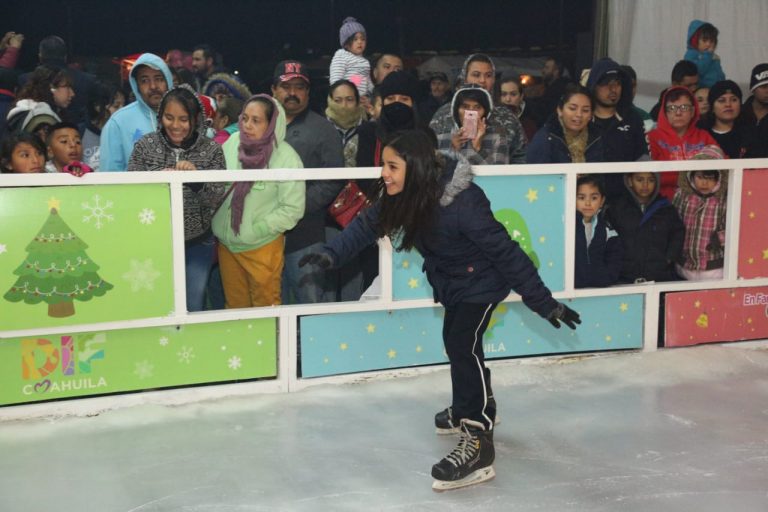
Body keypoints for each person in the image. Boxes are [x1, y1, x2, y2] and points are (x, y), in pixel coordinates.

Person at [298, 130, 580, 491]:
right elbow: (369, 224)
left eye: (392, 166)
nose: (384, 173)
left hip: (483, 282)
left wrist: (544, 302)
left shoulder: (464, 202)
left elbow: (505, 252)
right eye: (384, 164)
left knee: (462, 343)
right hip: (453, 281)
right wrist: (332, 253)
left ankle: (477, 437)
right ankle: (474, 403)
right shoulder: (405, 193)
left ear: (414, 168)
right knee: (457, 342)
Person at [127, 85, 226, 311]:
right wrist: (156, 181)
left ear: (195, 120)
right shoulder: (144, 146)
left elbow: (216, 199)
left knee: (193, 303)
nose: (175, 125)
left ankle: (192, 346)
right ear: (160, 116)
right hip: (154, 242)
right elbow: (131, 194)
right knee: (157, 305)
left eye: (183, 119)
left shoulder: (211, 151)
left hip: (198, 242)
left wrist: (196, 181)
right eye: (169, 117)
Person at [211, 94, 305, 308]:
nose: (247, 126)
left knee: (266, 308)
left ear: (271, 124)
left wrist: (258, 229)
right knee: (235, 308)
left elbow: (292, 209)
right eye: (244, 118)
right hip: (228, 246)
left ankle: (271, 343)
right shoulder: (232, 144)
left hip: (262, 246)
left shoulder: (287, 158)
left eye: (256, 120)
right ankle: (239, 343)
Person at [271, 60, 345, 304]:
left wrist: (294, 208)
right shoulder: (260, 127)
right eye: (286, 86)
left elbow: (333, 180)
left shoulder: (323, 129)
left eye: (299, 87)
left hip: (306, 235)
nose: (292, 93)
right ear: (274, 90)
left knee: (311, 306)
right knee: (272, 309)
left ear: (308, 92)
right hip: (263, 236)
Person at [430, 54, 527, 163]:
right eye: (476, 75)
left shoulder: (507, 116)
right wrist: (453, 149)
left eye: (488, 75)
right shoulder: (443, 115)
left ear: (494, 79)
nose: (482, 80)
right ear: (464, 77)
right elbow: (431, 158)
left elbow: (520, 158)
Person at [606, 172, 685, 283]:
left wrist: (668, 258)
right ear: (629, 181)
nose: (645, 185)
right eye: (639, 179)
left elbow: (677, 234)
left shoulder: (666, 208)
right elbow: (610, 238)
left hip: (659, 276)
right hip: (624, 276)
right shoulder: (617, 208)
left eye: (651, 180)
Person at [100, 53, 172, 171]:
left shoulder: (183, 116)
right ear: (136, 86)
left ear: (168, 81)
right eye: (144, 81)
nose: (153, 86)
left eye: (159, 79)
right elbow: (108, 176)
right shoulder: (118, 122)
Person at [647, 86, 719, 200]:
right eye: (672, 108)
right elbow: (651, 177)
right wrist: (693, 177)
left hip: (701, 202)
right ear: (664, 112)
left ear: (693, 111)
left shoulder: (704, 137)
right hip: (663, 203)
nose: (678, 113)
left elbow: (720, 169)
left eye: (684, 107)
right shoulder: (652, 138)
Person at [672, 147, 727, 281]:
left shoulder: (723, 200)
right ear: (692, 175)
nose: (704, 183)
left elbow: (733, 227)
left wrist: (719, 238)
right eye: (700, 177)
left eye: (710, 178)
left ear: (719, 177)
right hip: (684, 264)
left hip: (713, 266)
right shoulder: (682, 195)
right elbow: (673, 223)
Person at [18, 36, 95, 126]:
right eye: (66, 87)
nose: (72, 94)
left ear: (40, 56)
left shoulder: (25, 79)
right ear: (65, 57)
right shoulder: (87, 79)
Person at [526, 84, 604, 164]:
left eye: (585, 110)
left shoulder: (596, 137)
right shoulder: (546, 137)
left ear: (591, 115)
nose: (579, 114)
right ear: (560, 110)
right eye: (572, 108)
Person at [436, 84, 509, 164]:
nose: (471, 112)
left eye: (477, 107)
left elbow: (497, 174)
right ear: (456, 110)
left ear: (486, 112)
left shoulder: (497, 138)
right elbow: (438, 173)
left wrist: (478, 149)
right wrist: (454, 151)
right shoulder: (441, 138)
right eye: (465, 107)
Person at [574, 175, 622, 288]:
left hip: (599, 291)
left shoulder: (609, 232)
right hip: (570, 292)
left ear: (602, 201)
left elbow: (614, 262)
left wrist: (604, 279)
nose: (587, 203)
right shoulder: (565, 229)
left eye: (594, 198)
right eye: (581, 198)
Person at [698, 80, 748, 159]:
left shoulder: (750, 134)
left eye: (734, 100)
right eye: (722, 100)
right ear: (712, 107)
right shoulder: (700, 134)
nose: (728, 104)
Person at [325, 79, 367, 167]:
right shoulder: (321, 129)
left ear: (357, 101)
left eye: (350, 100)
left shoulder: (368, 129)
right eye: (338, 100)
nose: (344, 105)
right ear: (330, 101)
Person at [329, 17, 372, 100]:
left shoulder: (364, 61)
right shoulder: (341, 55)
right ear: (346, 43)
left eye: (363, 39)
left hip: (362, 102)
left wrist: (371, 94)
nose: (360, 42)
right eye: (355, 39)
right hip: (345, 101)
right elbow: (335, 80)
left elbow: (367, 81)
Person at [81, 81, 120, 171]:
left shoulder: (124, 132)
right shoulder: (80, 133)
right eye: (116, 106)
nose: (122, 111)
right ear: (98, 106)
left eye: (123, 105)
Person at [529, 56, 572, 125]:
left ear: (556, 72)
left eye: (547, 68)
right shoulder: (549, 88)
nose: (543, 71)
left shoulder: (558, 90)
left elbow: (544, 110)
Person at [683, 20, 725, 89]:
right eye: (704, 40)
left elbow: (719, 73)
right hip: (701, 91)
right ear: (695, 40)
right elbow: (698, 71)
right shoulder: (691, 54)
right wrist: (707, 55)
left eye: (711, 41)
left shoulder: (712, 55)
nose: (708, 44)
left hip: (715, 89)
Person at [498, 75, 537, 141]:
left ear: (521, 96)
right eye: (504, 94)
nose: (508, 99)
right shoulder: (491, 121)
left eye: (513, 94)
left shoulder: (529, 124)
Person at [741, 63, 768, 158]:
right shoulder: (738, 113)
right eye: (764, 87)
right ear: (753, 89)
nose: (767, 91)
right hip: (740, 169)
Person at [619, 64, 653, 132]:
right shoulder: (606, 115)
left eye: (633, 85)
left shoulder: (644, 117)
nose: (630, 90)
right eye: (626, 85)